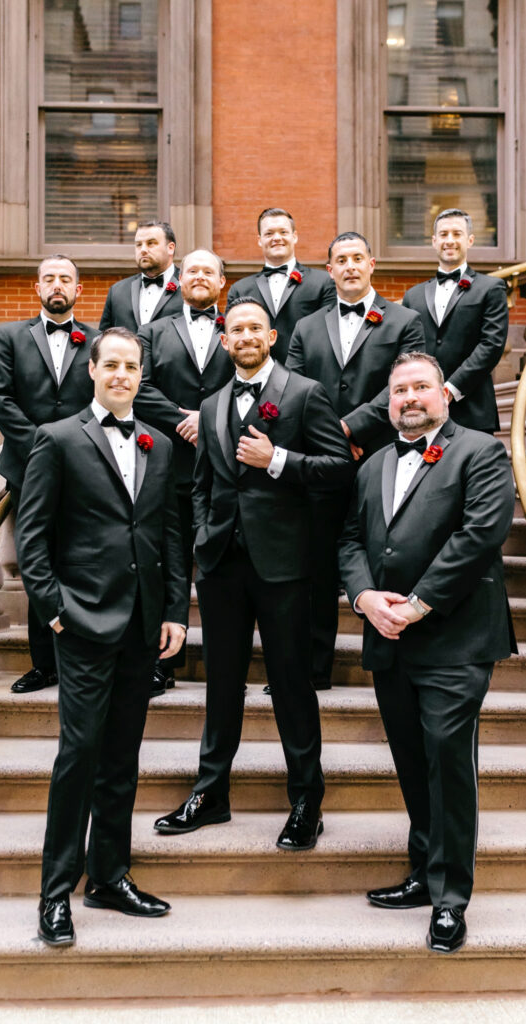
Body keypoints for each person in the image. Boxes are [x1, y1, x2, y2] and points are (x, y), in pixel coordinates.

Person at [153, 297, 353, 849]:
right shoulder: (212, 402)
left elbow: (340, 471)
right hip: (220, 566)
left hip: (287, 567)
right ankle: (211, 791)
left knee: (291, 684)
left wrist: (280, 461)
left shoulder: (305, 394)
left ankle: (306, 799)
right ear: (224, 340)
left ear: (271, 337)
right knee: (221, 683)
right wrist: (202, 536)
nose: (244, 335)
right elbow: (202, 484)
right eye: (235, 328)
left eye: (254, 329)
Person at [15, 326, 188, 947]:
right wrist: (55, 611)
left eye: (131, 366)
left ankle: (110, 877)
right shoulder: (57, 439)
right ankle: (54, 891)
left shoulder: (159, 444)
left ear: (142, 375)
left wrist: (174, 610)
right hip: (83, 624)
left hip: (143, 627)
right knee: (78, 758)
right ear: (92, 370)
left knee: (121, 759)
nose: (121, 374)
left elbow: (168, 532)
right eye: (110, 364)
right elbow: (30, 537)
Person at [338, 352, 515, 954]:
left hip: (455, 638)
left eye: (420, 387)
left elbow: (479, 536)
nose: (409, 398)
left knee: (446, 759)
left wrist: (415, 605)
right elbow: (351, 540)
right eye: (398, 391)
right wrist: (364, 598)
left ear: (445, 394)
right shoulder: (373, 466)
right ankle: (422, 870)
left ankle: (450, 898)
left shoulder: (481, 452)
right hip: (388, 638)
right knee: (412, 761)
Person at [285, 231, 425, 690]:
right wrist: (329, 437)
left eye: (356, 258)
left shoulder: (405, 320)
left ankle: (391, 664)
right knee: (320, 566)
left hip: (384, 455)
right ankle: (312, 669)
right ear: (329, 270)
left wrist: (347, 430)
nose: (348, 266)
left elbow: (401, 383)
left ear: (371, 264)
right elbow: (293, 391)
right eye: (339, 260)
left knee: (384, 557)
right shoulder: (306, 327)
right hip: (322, 466)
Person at [0, 254, 98, 694]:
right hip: (27, 469)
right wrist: (43, 449)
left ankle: (79, 657)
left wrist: (74, 450)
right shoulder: (11, 336)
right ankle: (43, 664)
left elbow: (102, 399)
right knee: (36, 561)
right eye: (49, 278)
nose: (57, 285)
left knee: (79, 562)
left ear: (78, 290)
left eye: (65, 279)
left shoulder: (97, 340)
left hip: (84, 470)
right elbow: (0, 399)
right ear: (37, 288)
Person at [134, 249, 234, 696]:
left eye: (208, 271)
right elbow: (141, 386)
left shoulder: (240, 327)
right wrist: (182, 417)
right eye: (191, 270)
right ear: (180, 278)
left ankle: (223, 663)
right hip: (170, 466)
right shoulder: (153, 331)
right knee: (170, 565)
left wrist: (210, 419)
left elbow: (253, 380)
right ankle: (163, 662)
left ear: (221, 281)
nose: (199, 277)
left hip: (225, 469)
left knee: (220, 568)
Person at [401, 208, 508, 433]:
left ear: (470, 240)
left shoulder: (490, 288)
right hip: (423, 412)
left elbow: (491, 345)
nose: (449, 240)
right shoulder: (413, 295)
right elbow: (408, 352)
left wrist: (450, 389)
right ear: (434, 241)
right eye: (444, 234)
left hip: (473, 410)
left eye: (457, 234)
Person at [225, 207, 335, 363]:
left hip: (306, 375)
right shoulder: (239, 289)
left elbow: (328, 336)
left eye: (283, 232)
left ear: (294, 236)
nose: (276, 238)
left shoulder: (323, 283)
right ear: (259, 240)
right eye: (269, 233)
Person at [99, 221, 183, 334]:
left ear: (170, 248)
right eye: (139, 244)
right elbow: (102, 339)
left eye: (151, 243)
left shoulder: (189, 286)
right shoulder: (117, 291)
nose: (143, 249)